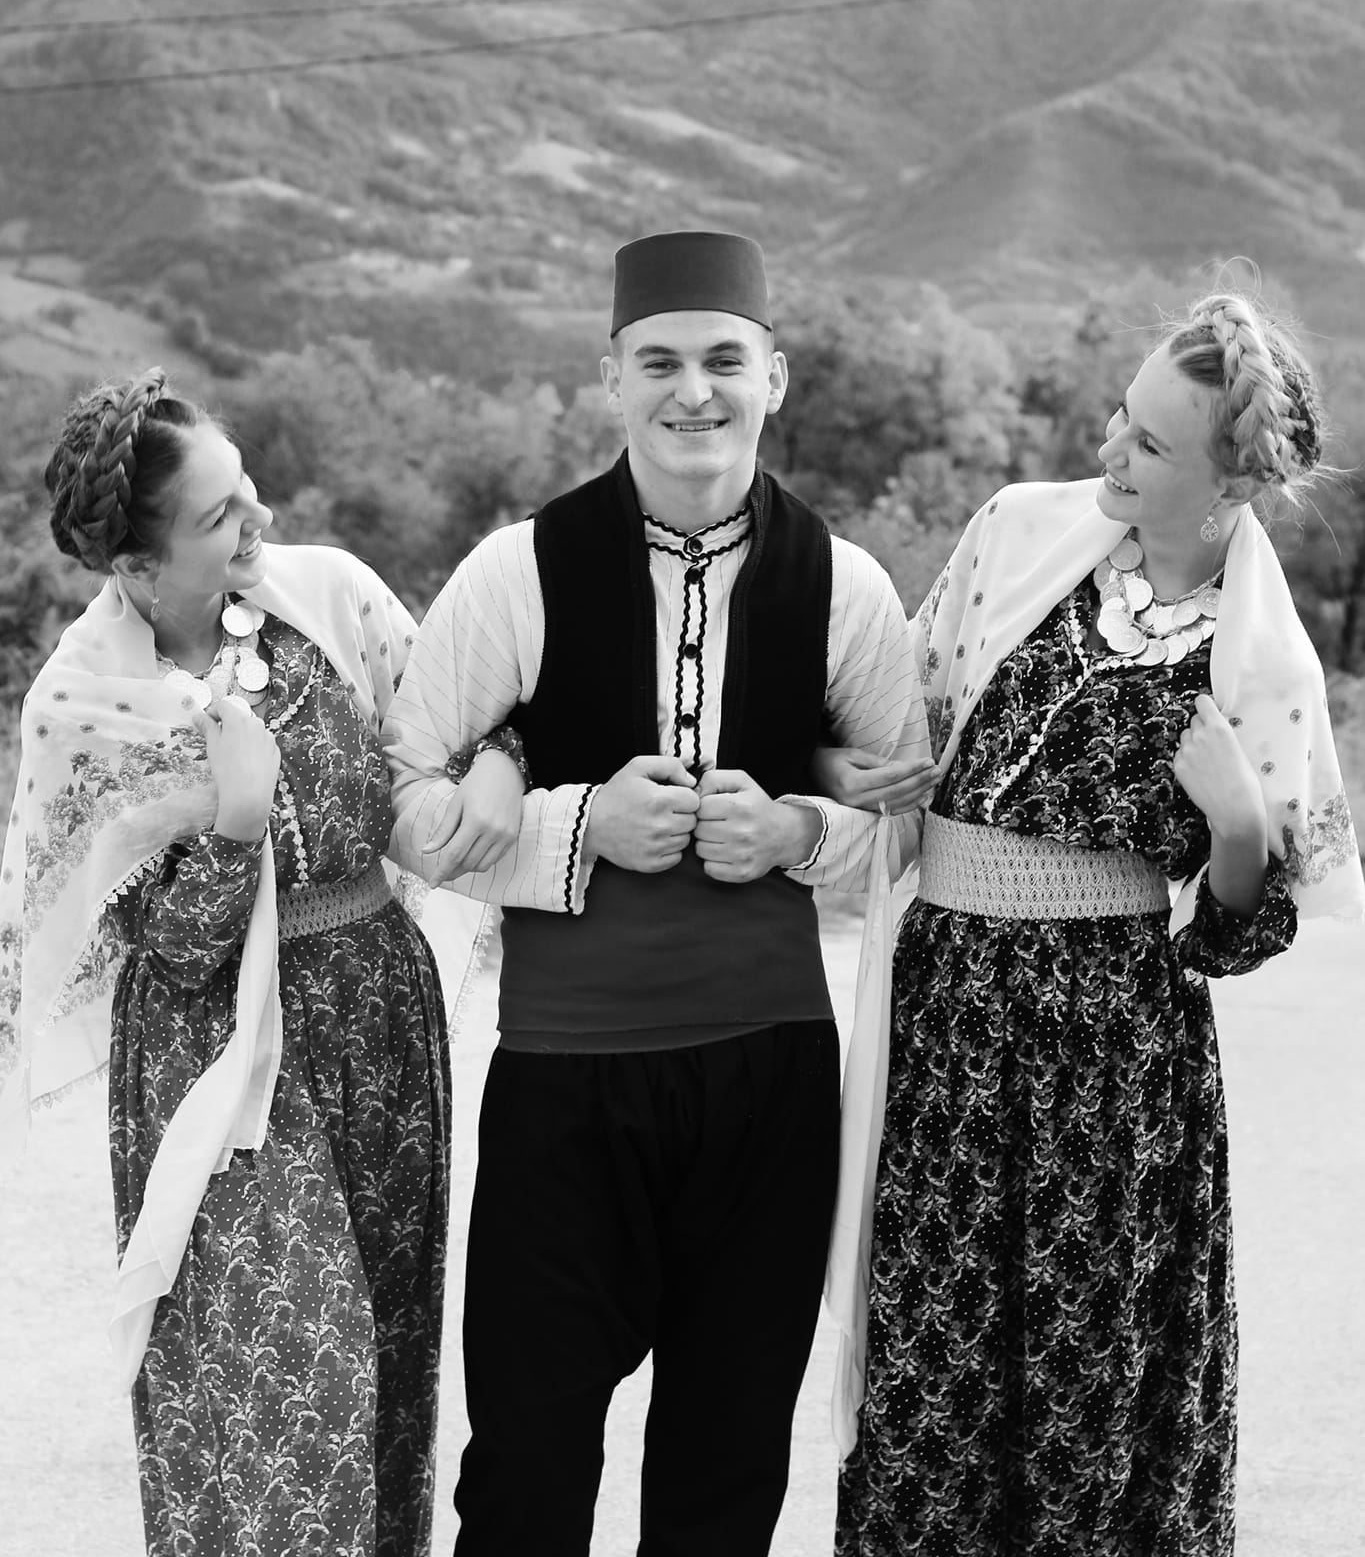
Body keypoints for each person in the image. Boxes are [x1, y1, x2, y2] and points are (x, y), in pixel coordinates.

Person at [382, 230, 930, 1557]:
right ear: (612, 378)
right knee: (524, 1469)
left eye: (725, 360)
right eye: (662, 361)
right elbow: (395, 796)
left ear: (775, 377)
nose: (696, 391)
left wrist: (799, 830)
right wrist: (576, 823)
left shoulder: (848, 587)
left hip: (769, 1083)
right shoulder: (515, 571)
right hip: (565, 1081)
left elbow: (908, 828)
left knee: (724, 1476)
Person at [820, 289, 1364, 1557]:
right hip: (949, 1026)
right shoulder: (1018, 531)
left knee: (1085, 1392)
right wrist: (849, 771)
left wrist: (1237, 826)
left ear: (1233, 484)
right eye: (1121, 415)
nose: (1111, 448)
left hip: (1111, 1067)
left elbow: (1242, 928)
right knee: (932, 1371)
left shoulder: (1263, 663)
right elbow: (896, 715)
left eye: (1152, 443)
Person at [0, 370, 516, 1557]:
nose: (260, 520)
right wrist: (235, 825)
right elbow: (171, 954)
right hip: (214, 1065)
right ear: (135, 561)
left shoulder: (330, 592)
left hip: (377, 1022)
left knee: (382, 1369)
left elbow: (455, 718)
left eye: (248, 489)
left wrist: (499, 757)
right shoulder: (85, 703)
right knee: (281, 1387)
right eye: (220, 514)